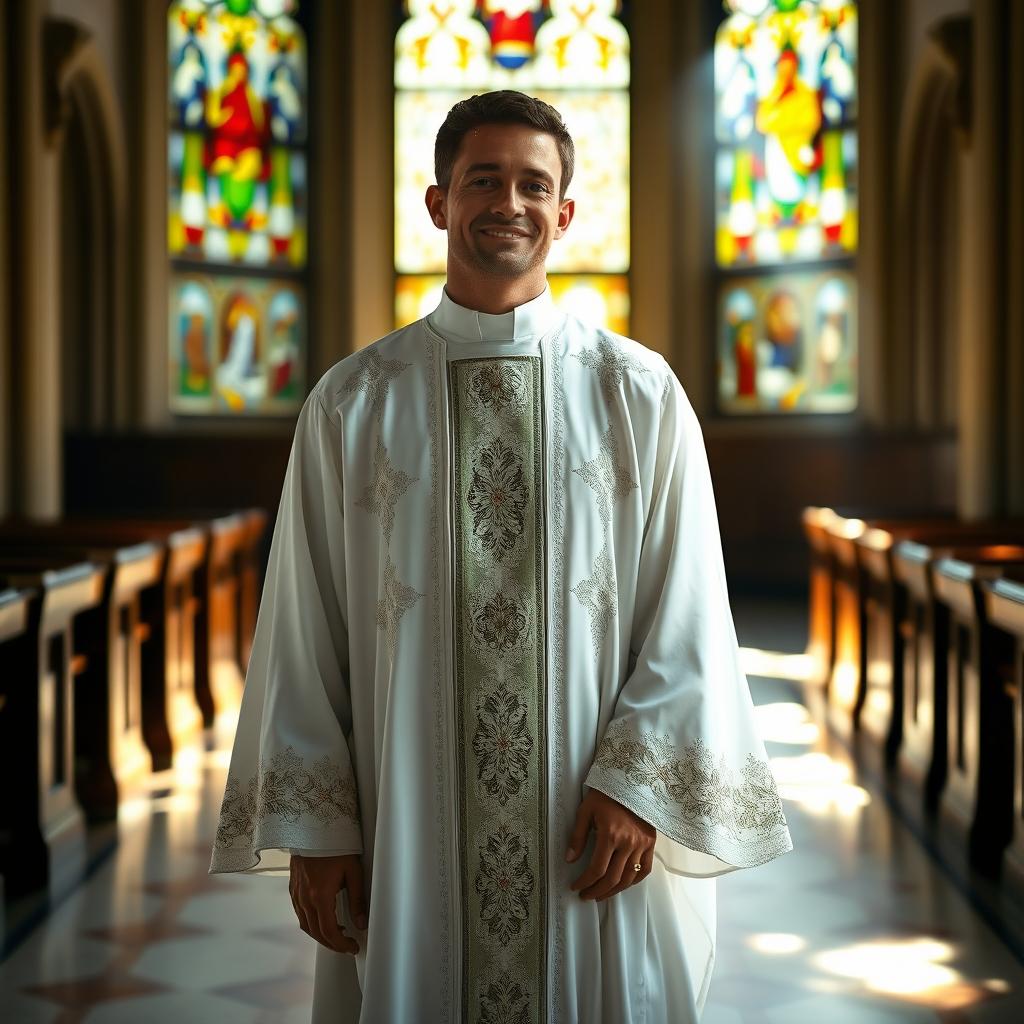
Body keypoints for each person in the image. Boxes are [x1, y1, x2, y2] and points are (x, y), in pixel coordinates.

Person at [209, 89, 792, 1023]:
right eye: (484, 180)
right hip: (409, 822)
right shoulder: (351, 403)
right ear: (438, 200)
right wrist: (320, 826)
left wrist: (639, 787)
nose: (508, 204)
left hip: (588, 821)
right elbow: (301, 622)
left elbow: (689, 609)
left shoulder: (638, 394)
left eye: (534, 184)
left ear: (565, 212)